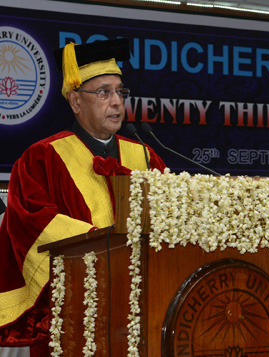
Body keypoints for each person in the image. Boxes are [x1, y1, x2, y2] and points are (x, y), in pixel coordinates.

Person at [0, 38, 166, 355]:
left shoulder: (145, 157)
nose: (117, 102)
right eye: (104, 92)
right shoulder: (42, 158)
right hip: (73, 316)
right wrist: (101, 242)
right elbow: (31, 224)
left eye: (121, 92)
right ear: (76, 101)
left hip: (143, 311)